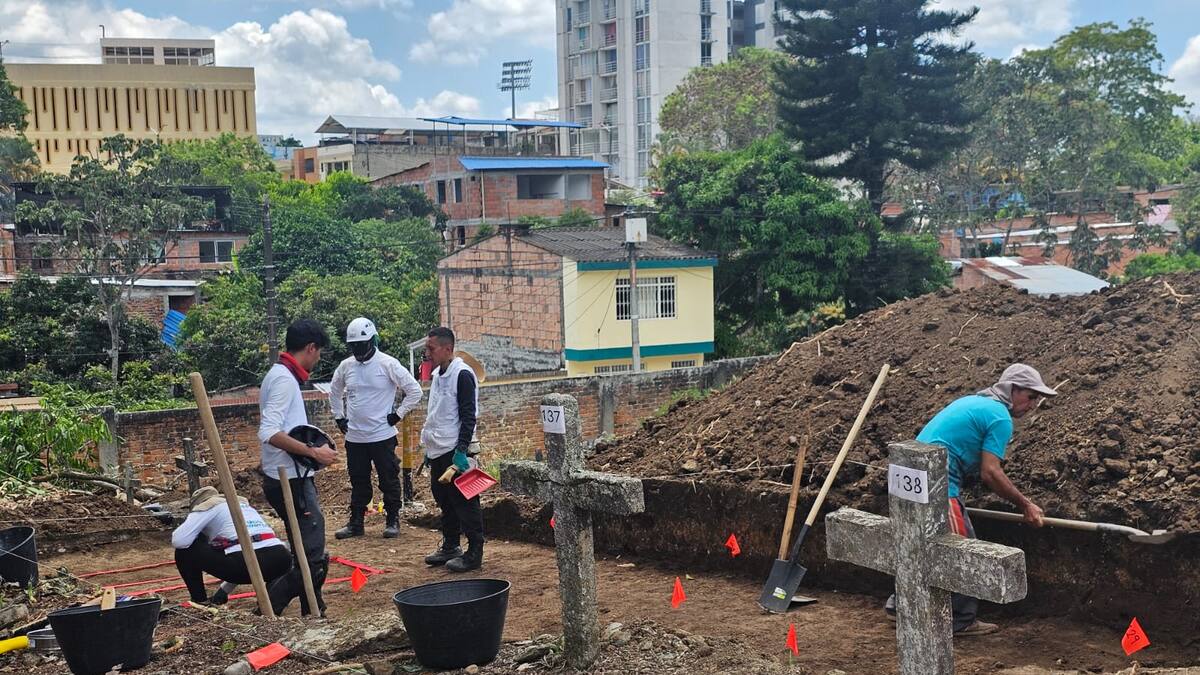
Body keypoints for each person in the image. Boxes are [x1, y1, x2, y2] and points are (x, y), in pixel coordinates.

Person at [885, 363, 1053, 636]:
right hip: (935, 482)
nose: (1034, 404)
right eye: (1031, 396)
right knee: (963, 551)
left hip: (906, 475)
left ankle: (899, 606)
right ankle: (960, 620)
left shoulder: (976, 401)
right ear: (1012, 390)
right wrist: (1026, 505)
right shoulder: (1000, 416)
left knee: (918, 546)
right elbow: (991, 472)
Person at [258, 319, 337, 616]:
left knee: (303, 551)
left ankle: (314, 609)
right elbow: (268, 431)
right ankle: (267, 609)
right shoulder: (282, 379)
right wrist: (313, 452)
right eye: (318, 354)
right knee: (313, 557)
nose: (318, 360)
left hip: (287, 476)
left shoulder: (278, 375)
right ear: (310, 348)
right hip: (289, 480)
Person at [330, 317, 423, 540]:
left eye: (361, 345)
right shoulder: (346, 366)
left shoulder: (387, 364)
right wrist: (339, 417)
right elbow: (334, 391)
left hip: (382, 436)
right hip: (355, 438)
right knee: (358, 480)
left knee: (388, 479)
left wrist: (397, 415)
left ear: (372, 341)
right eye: (353, 346)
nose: (358, 350)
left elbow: (415, 390)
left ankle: (392, 520)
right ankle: (356, 523)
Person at [420, 326, 484, 572]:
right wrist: (429, 447)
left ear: (448, 349)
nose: (427, 353)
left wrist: (461, 451)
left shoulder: (463, 375)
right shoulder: (439, 375)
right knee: (444, 499)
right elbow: (437, 412)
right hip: (438, 448)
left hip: (456, 450)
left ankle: (475, 553)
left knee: (465, 502)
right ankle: (450, 545)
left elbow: (469, 417)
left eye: (431, 348)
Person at [171, 486, 292, 606]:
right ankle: (271, 604)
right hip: (281, 559)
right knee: (247, 554)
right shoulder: (244, 507)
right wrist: (223, 592)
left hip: (245, 564)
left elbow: (179, 540)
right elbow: (247, 550)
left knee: (186, 550)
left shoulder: (206, 507)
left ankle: (199, 600)